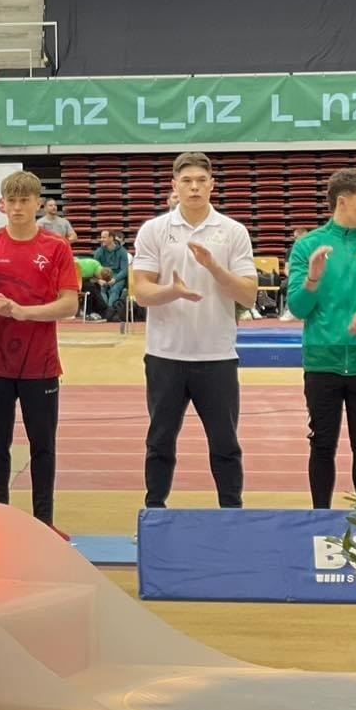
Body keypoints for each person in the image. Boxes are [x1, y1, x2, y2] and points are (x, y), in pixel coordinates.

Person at [131, 151, 257, 510]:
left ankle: (231, 513)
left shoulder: (232, 231)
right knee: (160, 441)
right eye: (186, 181)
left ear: (212, 185)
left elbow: (248, 294)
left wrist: (214, 267)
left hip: (217, 355)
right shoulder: (155, 230)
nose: (194, 187)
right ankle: (155, 510)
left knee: (225, 444)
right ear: (175, 185)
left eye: (201, 180)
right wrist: (173, 291)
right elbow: (141, 291)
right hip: (165, 354)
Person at [0, 171, 79, 525]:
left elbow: (69, 304)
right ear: (2, 204)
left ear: (38, 204)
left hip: (40, 364)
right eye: (11, 201)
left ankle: (44, 522)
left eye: (24, 201)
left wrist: (25, 312)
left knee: (43, 447)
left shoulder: (57, 247)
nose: (17, 208)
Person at [285, 169, 356, 509]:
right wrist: (312, 279)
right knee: (322, 443)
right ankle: (319, 514)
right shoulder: (308, 246)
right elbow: (298, 307)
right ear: (342, 202)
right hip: (322, 362)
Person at [93, 230, 129, 318]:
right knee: (102, 289)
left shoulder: (122, 251)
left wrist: (115, 279)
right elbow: (94, 269)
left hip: (117, 276)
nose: (101, 239)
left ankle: (111, 312)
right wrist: (99, 280)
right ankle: (104, 312)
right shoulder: (98, 252)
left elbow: (124, 270)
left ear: (111, 238)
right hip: (102, 276)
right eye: (101, 237)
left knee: (115, 289)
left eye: (104, 237)